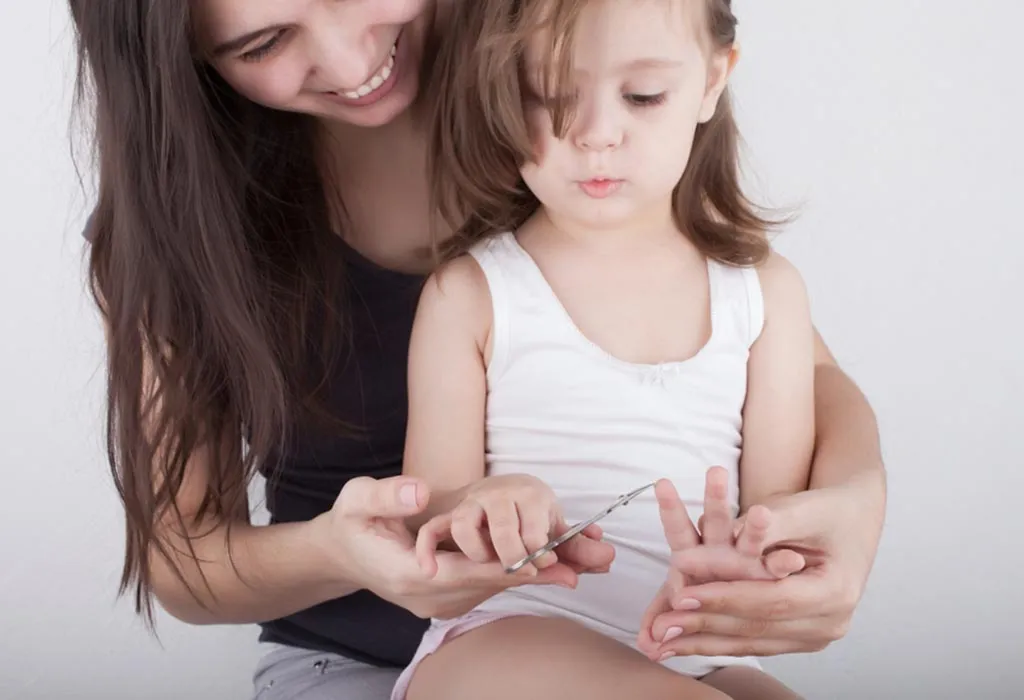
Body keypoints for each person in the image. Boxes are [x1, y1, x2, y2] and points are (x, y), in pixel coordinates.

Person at [66, 0, 885, 698]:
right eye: (264, 41)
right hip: (373, 663)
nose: (352, 55)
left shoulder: (560, 74)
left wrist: (855, 502)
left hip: (660, 653)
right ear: (188, 62)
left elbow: (804, 369)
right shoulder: (187, 226)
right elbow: (183, 560)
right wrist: (347, 552)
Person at [392, 0, 819, 698]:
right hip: (506, 639)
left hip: (695, 650)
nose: (594, 135)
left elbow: (782, 530)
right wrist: (488, 504)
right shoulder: (472, 295)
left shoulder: (767, 295)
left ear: (714, 80)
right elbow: (424, 540)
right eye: (550, 96)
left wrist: (741, 568)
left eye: (642, 96)